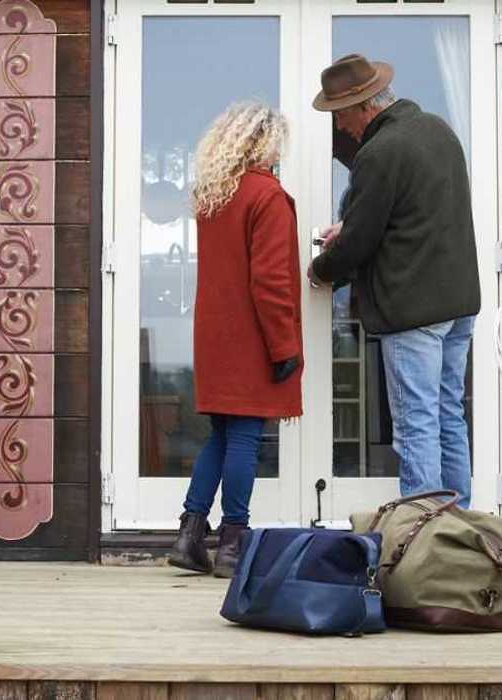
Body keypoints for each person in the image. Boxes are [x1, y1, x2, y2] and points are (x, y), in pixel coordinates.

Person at [308, 54, 481, 508]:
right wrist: (352, 228)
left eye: (340, 114)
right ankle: (457, 526)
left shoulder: (379, 152)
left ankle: (424, 540)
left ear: (364, 106)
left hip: (413, 310)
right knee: (448, 417)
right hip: (458, 304)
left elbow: (361, 241)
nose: (341, 126)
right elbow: (414, 213)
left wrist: (320, 269)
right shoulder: (438, 131)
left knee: (416, 424)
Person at [168, 102, 303, 577]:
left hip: (216, 333)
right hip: (252, 336)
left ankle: (189, 533)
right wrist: (284, 346)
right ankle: (233, 542)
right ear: (264, 143)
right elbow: (271, 281)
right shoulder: (267, 197)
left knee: (222, 434)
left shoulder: (215, 196)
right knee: (246, 437)